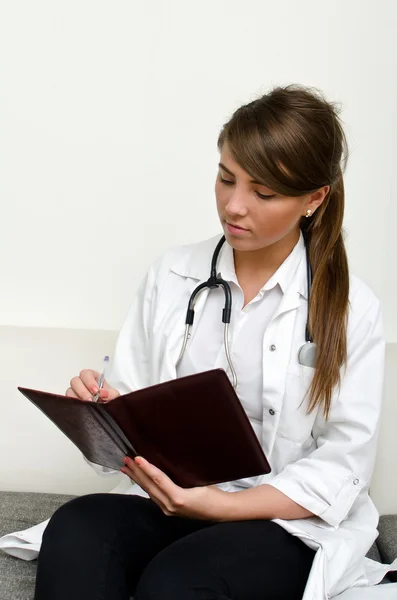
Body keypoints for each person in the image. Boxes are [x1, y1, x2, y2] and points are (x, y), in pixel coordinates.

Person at [34, 85, 387, 600]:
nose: (235, 205)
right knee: (77, 526)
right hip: (170, 499)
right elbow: (133, 408)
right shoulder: (173, 273)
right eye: (226, 178)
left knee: (178, 581)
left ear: (315, 199)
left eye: (263, 193)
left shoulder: (351, 307)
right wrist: (104, 414)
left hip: (280, 522)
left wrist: (220, 507)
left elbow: (344, 465)